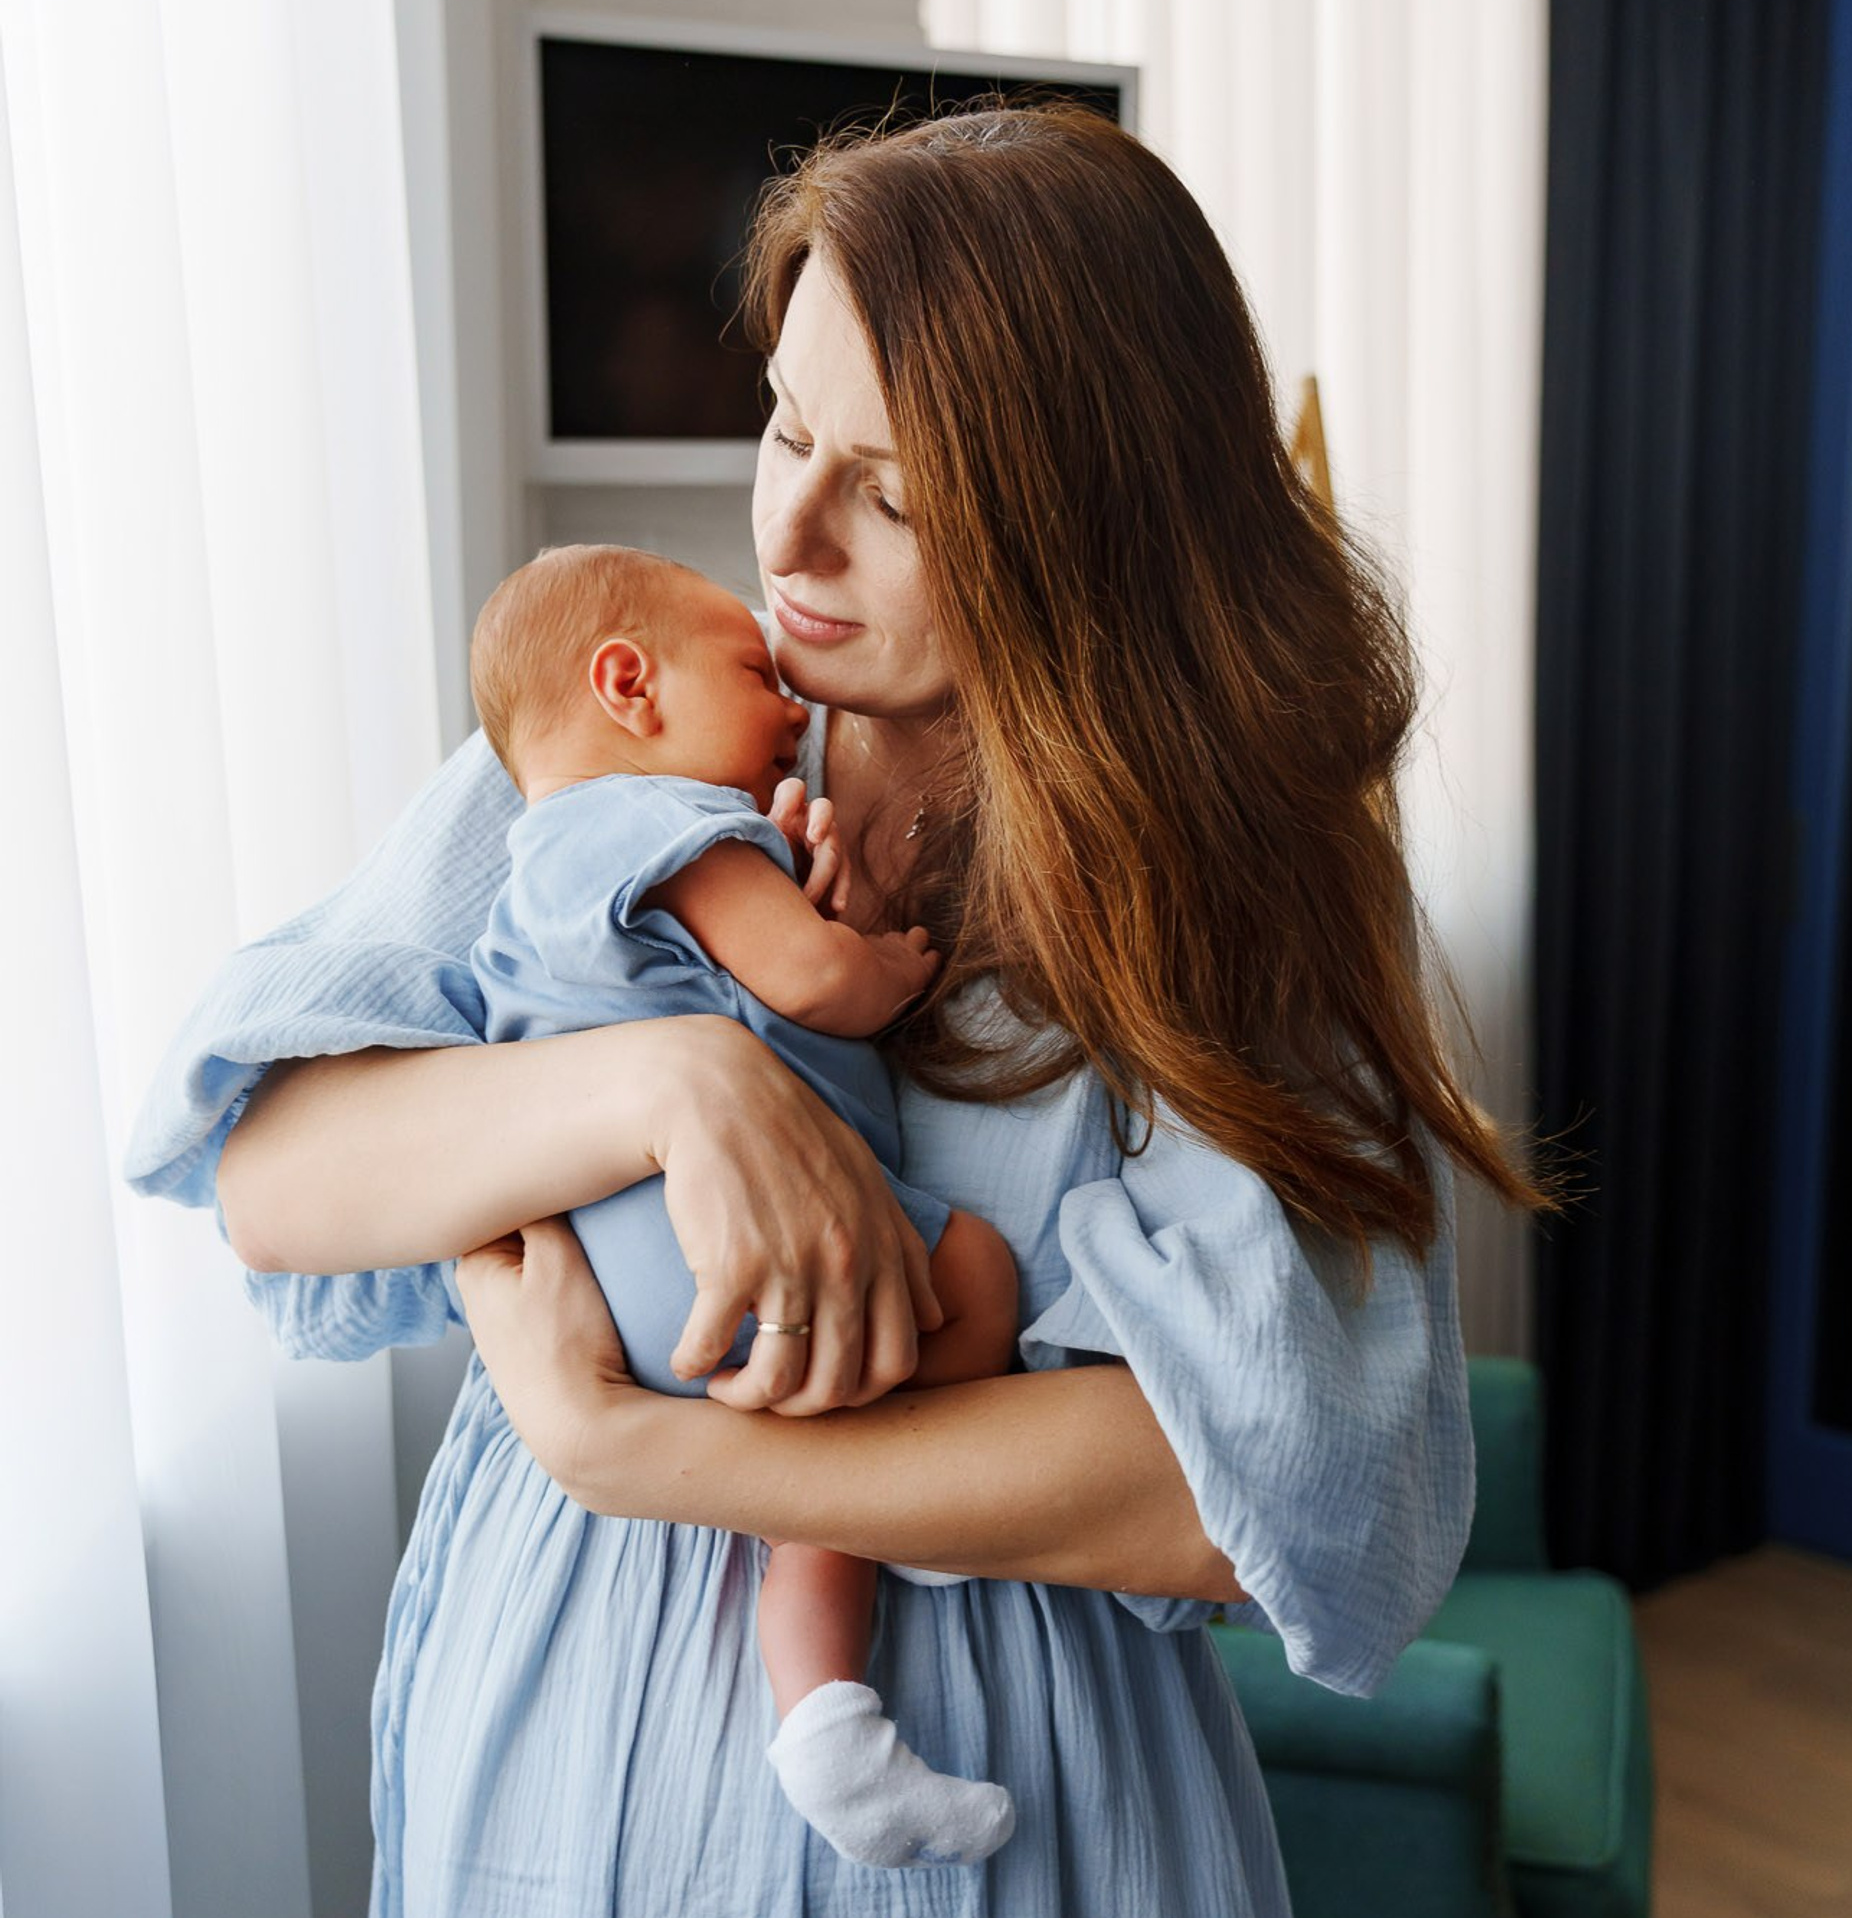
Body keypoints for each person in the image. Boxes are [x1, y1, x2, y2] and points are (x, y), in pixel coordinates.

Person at [128, 101, 1548, 1916]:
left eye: (888, 492)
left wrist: (648, 1453)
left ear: (1088, 523)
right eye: (785, 423)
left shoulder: (1219, 884)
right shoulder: (630, 745)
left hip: (993, 1783)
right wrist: (677, 1084)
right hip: (551, 1729)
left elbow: (1246, 1493)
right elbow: (274, 1172)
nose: (786, 537)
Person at [466, 540, 1018, 1868]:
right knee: (981, 1276)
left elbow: (701, 988)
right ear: (628, 687)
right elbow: (809, 980)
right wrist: (883, 959)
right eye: (755, 676)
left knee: (804, 1515)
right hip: (731, 1255)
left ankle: (827, 1722)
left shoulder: (528, 878)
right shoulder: (653, 815)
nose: (787, 710)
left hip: (625, 1292)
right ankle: (923, 1516)